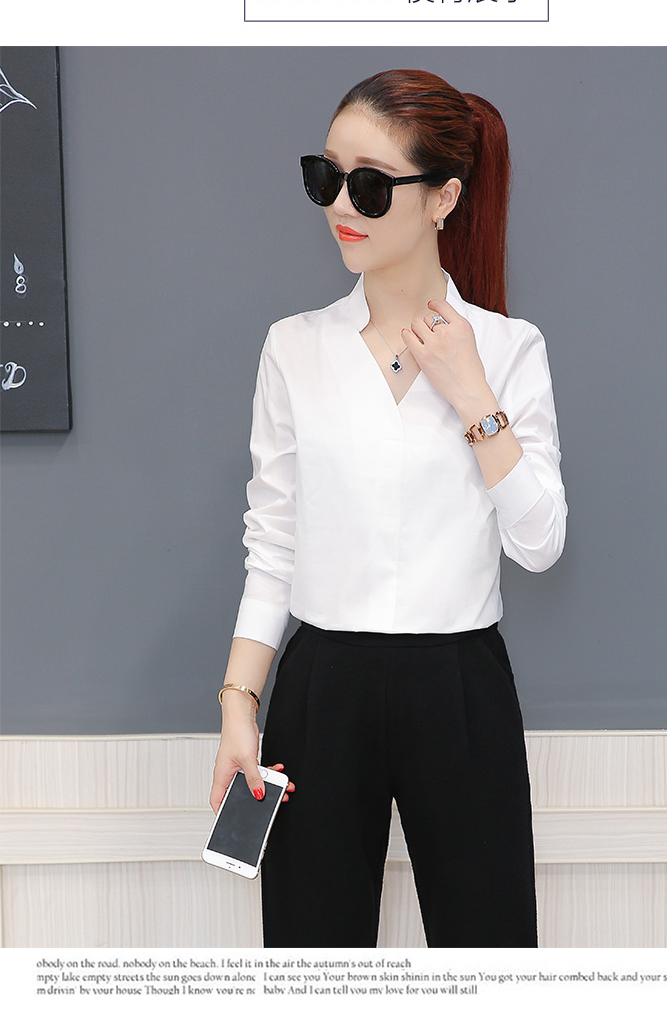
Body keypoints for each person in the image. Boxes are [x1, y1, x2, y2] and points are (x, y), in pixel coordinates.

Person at [210, 68, 567, 948]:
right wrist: (238, 704)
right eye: (325, 177)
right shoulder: (294, 348)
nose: (342, 204)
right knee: (312, 963)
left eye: (369, 185)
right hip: (322, 688)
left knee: (490, 958)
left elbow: (540, 542)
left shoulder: (508, 350)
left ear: (444, 197)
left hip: (461, 685)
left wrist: (471, 391)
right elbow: (274, 540)